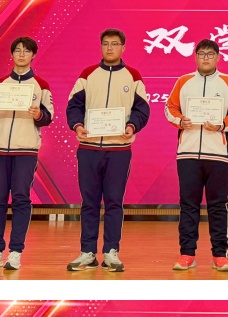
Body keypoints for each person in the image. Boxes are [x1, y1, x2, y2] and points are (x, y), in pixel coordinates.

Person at [65, 28, 150, 273]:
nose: (110, 48)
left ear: (123, 47)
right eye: (105, 43)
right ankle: (87, 252)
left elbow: (142, 109)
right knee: (89, 202)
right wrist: (77, 125)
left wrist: (132, 126)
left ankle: (111, 251)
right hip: (89, 148)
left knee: (114, 202)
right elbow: (74, 106)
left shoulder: (133, 76)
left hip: (119, 150)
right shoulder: (87, 75)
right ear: (100, 46)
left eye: (114, 44)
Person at [165, 39, 228, 272]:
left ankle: (220, 255)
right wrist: (181, 121)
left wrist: (221, 125)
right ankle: (187, 254)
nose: (206, 58)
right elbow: (170, 108)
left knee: (218, 205)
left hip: (218, 153)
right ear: (195, 56)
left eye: (210, 54)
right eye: (201, 54)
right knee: (188, 204)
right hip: (188, 153)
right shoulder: (184, 81)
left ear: (218, 57)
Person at [0, 37, 54, 271]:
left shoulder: (41, 85)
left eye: (26, 51)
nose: (21, 54)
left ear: (33, 55)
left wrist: (38, 114)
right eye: (17, 50)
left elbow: (48, 117)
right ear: (11, 55)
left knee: (21, 199)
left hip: (25, 150)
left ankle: (16, 252)